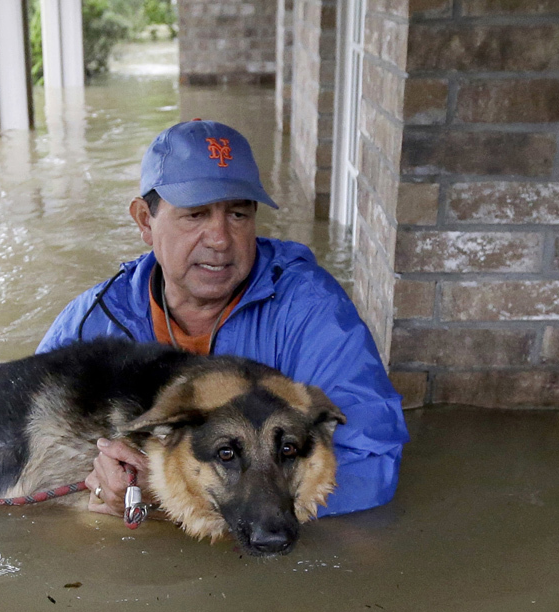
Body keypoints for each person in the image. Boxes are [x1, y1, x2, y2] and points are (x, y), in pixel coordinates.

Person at [36, 119, 409, 520]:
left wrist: (177, 497)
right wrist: (96, 486)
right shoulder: (94, 321)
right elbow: (26, 450)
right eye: (196, 215)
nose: (220, 239)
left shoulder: (309, 310)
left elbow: (372, 462)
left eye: (238, 214)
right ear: (145, 220)